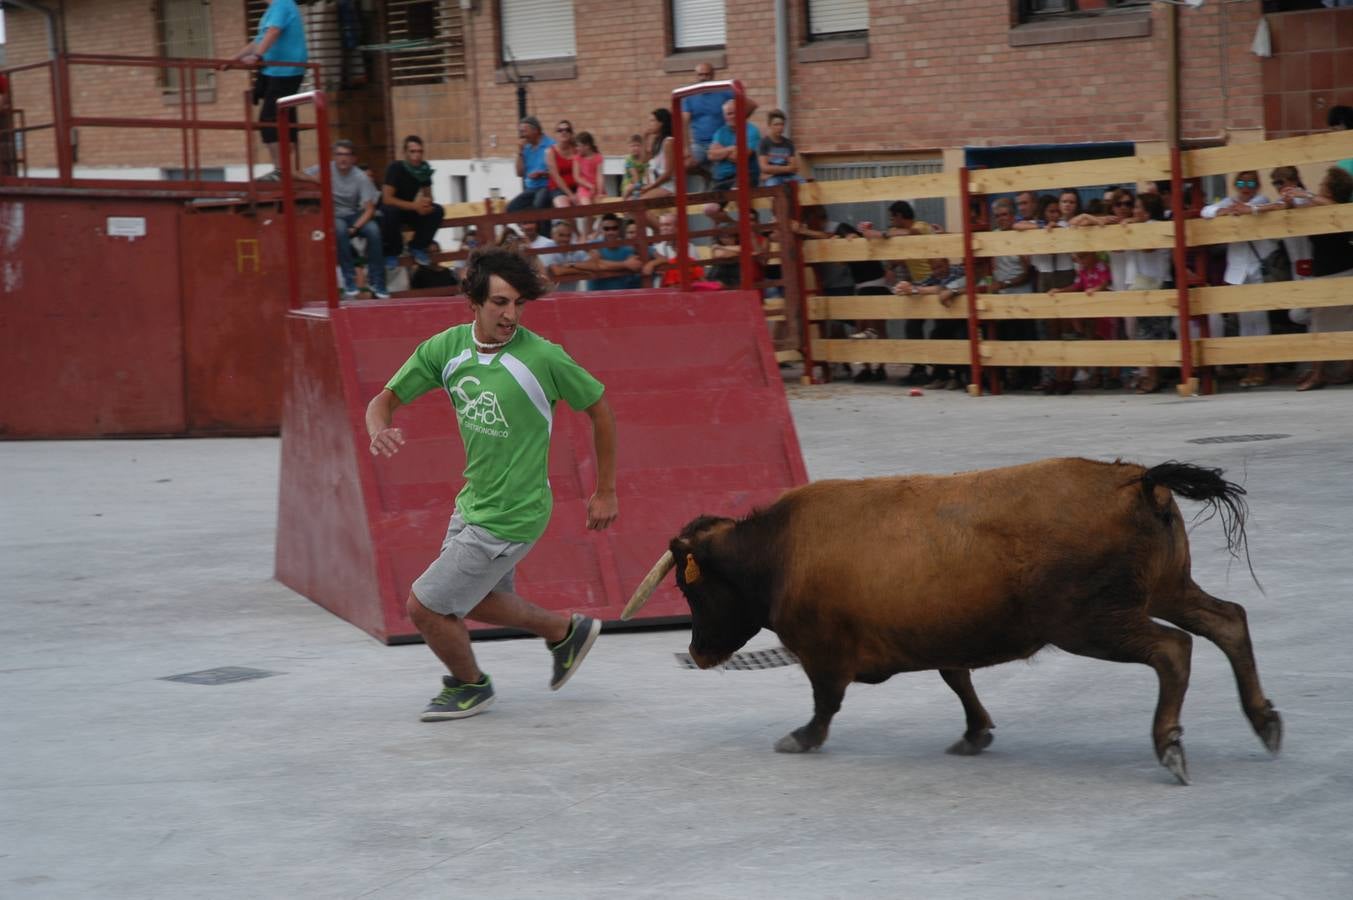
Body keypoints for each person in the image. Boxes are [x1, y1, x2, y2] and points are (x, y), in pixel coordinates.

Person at [365, 246, 618, 721]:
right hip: (473, 501)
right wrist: (380, 428)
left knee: (424, 607)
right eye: (500, 303)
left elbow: (600, 410)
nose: (511, 314)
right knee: (477, 599)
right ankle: (565, 631)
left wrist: (605, 489)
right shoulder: (446, 349)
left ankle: (470, 686)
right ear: (474, 303)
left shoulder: (542, 357)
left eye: (518, 303)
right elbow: (384, 399)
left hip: (513, 511)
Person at [1201, 170, 1277, 387]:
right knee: (1245, 322)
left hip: (1257, 267)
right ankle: (1250, 368)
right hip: (1237, 270)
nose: (1246, 187)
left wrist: (1245, 209)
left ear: (1257, 185)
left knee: (1260, 320)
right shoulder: (1230, 201)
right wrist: (1223, 210)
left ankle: (1262, 369)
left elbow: (1256, 208)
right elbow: (1206, 211)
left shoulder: (1261, 199)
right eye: (1242, 182)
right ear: (1236, 184)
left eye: (1251, 182)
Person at [1284, 167, 1353, 390]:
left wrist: (1307, 196)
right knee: (1313, 319)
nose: (1320, 184)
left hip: (1339, 273)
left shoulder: (1339, 209)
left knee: (1319, 326)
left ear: (1331, 189)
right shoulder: (1318, 206)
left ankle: (1317, 374)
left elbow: (1330, 207)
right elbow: (1297, 208)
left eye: (1324, 182)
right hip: (1325, 274)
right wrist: (1290, 201)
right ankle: (1334, 371)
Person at [226, 0, 307, 181]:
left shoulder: (282, 5)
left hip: (285, 71)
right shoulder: (273, 10)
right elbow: (258, 41)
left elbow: (274, 32)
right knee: (284, 119)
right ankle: (286, 168)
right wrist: (233, 59)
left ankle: (282, 170)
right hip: (274, 71)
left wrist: (257, 56)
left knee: (269, 120)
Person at [300, 139, 388, 300]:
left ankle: (378, 281)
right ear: (334, 156)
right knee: (339, 229)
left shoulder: (360, 177)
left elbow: (369, 210)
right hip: (333, 214)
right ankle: (349, 280)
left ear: (354, 158)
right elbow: (299, 174)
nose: (343, 158)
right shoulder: (325, 169)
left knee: (374, 230)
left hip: (354, 214)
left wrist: (355, 228)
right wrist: (314, 180)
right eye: (339, 154)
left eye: (347, 155)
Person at [680, 63, 756, 177]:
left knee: (728, 168)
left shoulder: (724, 91)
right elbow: (684, 123)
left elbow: (752, 104)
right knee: (683, 164)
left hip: (720, 142)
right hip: (700, 144)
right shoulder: (689, 96)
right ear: (696, 76)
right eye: (700, 75)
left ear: (713, 75)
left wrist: (739, 121)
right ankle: (705, 175)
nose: (704, 78)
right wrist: (686, 149)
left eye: (707, 74)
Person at [380, 135, 445, 269]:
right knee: (390, 212)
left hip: (411, 209)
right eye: (413, 151)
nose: (417, 155)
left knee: (438, 210)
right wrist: (414, 206)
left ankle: (417, 246)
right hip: (393, 209)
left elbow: (429, 195)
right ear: (405, 153)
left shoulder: (424, 170)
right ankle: (392, 252)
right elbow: (387, 198)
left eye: (419, 151)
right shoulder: (395, 168)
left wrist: (426, 204)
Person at [707, 99, 761, 191]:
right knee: (710, 205)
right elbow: (711, 155)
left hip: (744, 177)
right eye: (729, 114)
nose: (732, 116)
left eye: (735, 113)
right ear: (724, 117)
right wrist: (731, 149)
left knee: (736, 193)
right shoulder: (720, 132)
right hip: (721, 179)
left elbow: (739, 157)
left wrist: (721, 151)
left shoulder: (751, 130)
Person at [507, 116, 555, 216]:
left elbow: (558, 171)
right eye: (520, 132)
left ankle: (543, 231)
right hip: (531, 188)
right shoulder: (526, 147)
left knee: (538, 204)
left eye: (524, 131)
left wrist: (542, 174)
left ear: (535, 130)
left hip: (547, 186)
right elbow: (519, 173)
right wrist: (520, 152)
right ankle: (527, 229)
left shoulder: (551, 145)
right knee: (511, 208)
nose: (522, 135)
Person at [588, 213, 645, 290]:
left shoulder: (627, 249)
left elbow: (635, 265)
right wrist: (625, 264)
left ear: (619, 229)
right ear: (601, 230)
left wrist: (603, 263)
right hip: (597, 297)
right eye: (606, 229)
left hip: (621, 296)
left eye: (614, 228)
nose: (610, 232)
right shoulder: (593, 245)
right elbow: (595, 265)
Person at [758, 110, 802, 187]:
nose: (780, 127)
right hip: (772, 178)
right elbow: (764, 168)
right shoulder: (764, 143)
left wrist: (773, 169)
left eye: (782, 124)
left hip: (788, 177)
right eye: (776, 124)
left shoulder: (789, 143)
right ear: (769, 125)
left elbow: (794, 167)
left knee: (804, 184)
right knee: (772, 186)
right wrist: (787, 168)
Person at [546, 120, 581, 210]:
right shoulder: (551, 152)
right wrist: (571, 195)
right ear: (555, 134)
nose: (564, 132)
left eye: (567, 130)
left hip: (577, 187)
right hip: (559, 189)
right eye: (560, 130)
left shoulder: (577, 150)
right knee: (564, 208)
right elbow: (556, 177)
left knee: (587, 205)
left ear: (571, 133)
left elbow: (583, 172)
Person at [620, 134, 649, 199]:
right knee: (630, 187)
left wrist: (649, 185)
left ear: (642, 147)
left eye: (638, 145)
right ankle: (623, 199)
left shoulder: (644, 159)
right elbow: (635, 177)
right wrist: (640, 189)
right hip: (629, 185)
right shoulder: (629, 160)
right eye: (633, 146)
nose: (635, 148)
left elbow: (648, 175)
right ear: (629, 147)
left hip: (640, 185)